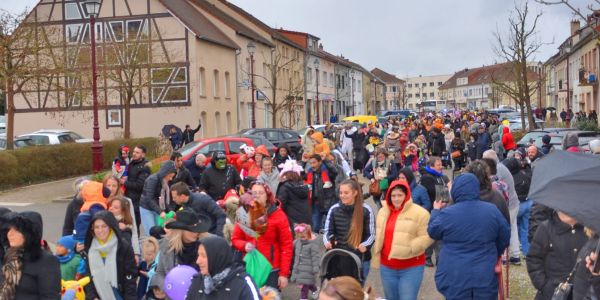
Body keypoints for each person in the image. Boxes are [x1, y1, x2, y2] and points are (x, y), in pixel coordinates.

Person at [428, 173, 511, 300]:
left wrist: (435, 211)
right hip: (484, 272)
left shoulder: (447, 214)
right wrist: (494, 252)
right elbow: (504, 236)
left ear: (455, 190)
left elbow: (433, 231)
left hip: (455, 273)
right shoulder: (492, 210)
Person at [371, 180, 433, 300]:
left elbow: (428, 235)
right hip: (387, 267)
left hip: (411, 267)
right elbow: (379, 234)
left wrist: (412, 246)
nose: (396, 199)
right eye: (393, 195)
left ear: (407, 195)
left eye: (400, 195)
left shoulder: (420, 213)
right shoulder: (383, 212)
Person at [232, 182, 294, 289]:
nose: (257, 195)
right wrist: (244, 245)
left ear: (267, 196)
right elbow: (235, 239)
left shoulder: (278, 215)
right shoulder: (245, 213)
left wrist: (284, 274)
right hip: (250, 266)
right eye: (254, 192)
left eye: (261, 193)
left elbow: (287, 246)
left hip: (272, 269)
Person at [150, 209, 212, 297]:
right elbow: (160, 272)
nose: (196, 232)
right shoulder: (168, 245)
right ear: (180, 231)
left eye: (196, 228)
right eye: (191, 229)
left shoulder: (208, 243)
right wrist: (166, 287)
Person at [526, 211, 587, 300]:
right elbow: (533, 259)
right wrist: (544, 285)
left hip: (581, 293)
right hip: (552, 293)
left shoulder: (589, 230)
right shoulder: (546, 228)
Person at [0, 212, 61, 299]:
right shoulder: (8, 256)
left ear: (30, 234)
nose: (10, 234)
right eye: (9, 229)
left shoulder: (47, 261)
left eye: (16, 230)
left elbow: (50, 296)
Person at [323, 179, 375, 280]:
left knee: (356, 292)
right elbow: (327, 231)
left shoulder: (366, 210)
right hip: (338, 258)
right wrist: (327, 241)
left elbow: (371, 234)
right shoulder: (334, 209)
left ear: (355, 193)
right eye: (341, 193)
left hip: (359, 258)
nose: (342, 195)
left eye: (346, 193)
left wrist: (365, 245)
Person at [84, 211, 138, 300]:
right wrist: (92, 297)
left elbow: (130, 278)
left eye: (104, 226)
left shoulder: (123, 247)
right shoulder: (90, 249)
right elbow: (88, 277)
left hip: (121, 296)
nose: (100, 230)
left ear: (110, 227)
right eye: (97, 227)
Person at [187, 236, 260, 300]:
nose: (198, 261)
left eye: (203, 256)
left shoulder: (242, 282)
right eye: (198, 255)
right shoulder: (197, 281)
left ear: (217, 257)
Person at [485, 149, 522, 265]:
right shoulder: (500, 166)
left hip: (507, 205)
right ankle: (515, 255)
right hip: (513, 203)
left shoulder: (497, 169)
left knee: (504, 229)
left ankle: (504, 257)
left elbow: (493, 186)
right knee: (513, 228)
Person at [140, 160, 177, 236]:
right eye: (170, 176)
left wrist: (170, 210)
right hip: (147, 208)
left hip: (157, 208)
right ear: (165, 172)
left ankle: (158, 246)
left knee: (160, 231)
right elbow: (149, 198)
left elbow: (166, 199)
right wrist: (160, 211)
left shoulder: (166, 182)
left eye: (172, 177)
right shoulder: (153, 179)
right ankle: (151, 247)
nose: (171, 179)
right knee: (151, 232)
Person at [305, 154, 337, 232]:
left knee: (331, 227)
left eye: (314, 163)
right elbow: (300, 175)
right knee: (315, 227)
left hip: (328, 202)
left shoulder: (327, 172)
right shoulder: (310, 173)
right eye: (311, 163)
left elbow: (334, 171)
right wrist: (303, 162)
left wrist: (326, 160)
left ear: (320, 162)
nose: (312, 165)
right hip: (316, 203)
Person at [277, 161, 311, 230]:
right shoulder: (304, 186)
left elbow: (281, 205)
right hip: (306, 219)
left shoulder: (285, 187)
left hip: (291, 221)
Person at [124, 145, 151, 231]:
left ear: (143, 155)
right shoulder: (132, 163)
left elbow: (140, 186)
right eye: (134, 152)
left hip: (136, 201)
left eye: (137, 152)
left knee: (134, 226)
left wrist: (124, 182)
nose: (134, 154)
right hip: (127, 198)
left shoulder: (145, 167)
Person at [290, 224, 321, 300]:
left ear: (309, 235)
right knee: (307, 283)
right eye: (300, 237)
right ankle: (315, 290)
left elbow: (315, 257)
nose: (302, 239)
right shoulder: (297, 242)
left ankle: (303, 298)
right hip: (299, 268)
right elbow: (290, 246)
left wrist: (315, 268)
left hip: (308, 269)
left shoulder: (312, 245)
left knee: (304, 286)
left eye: (304, 237)